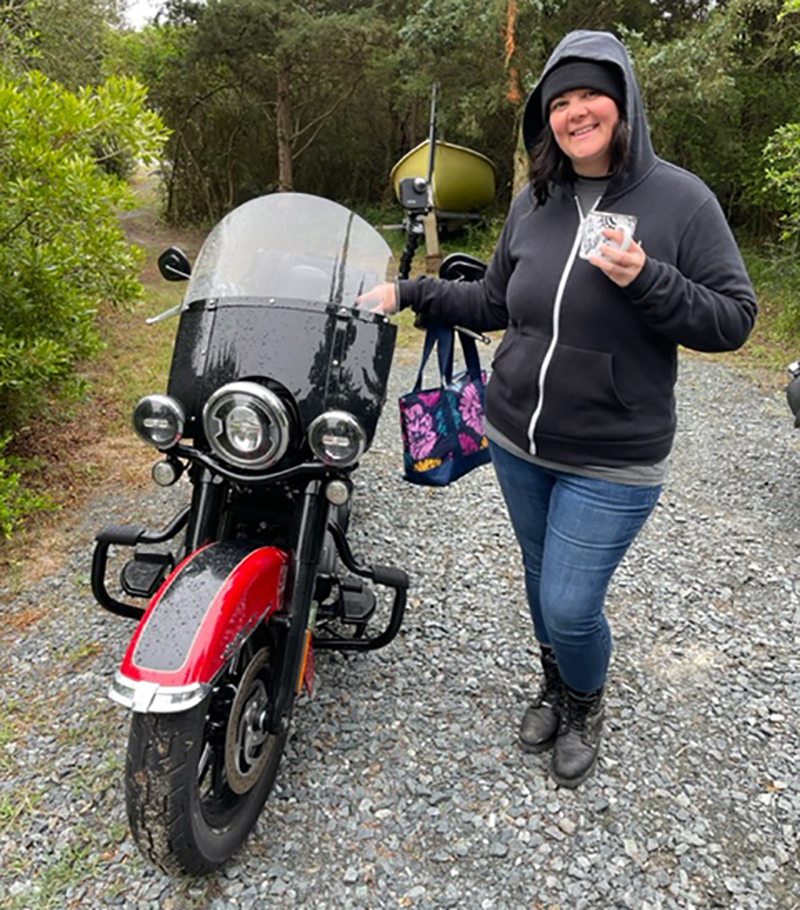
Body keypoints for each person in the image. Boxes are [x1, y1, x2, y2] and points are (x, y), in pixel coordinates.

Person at [360, 30, 757, 788]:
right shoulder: (535, 200)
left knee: (572, 604)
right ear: (545, 119)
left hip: (614, 455)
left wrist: (648, 279)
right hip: (516, 440)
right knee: (542, 583)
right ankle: (555, 681)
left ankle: (585, 702)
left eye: (589, 95)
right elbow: (494, 302)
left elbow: (733, 319)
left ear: (624, 101)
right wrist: (410, 292)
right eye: (559, 102)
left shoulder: (680, 200)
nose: (575, 112)